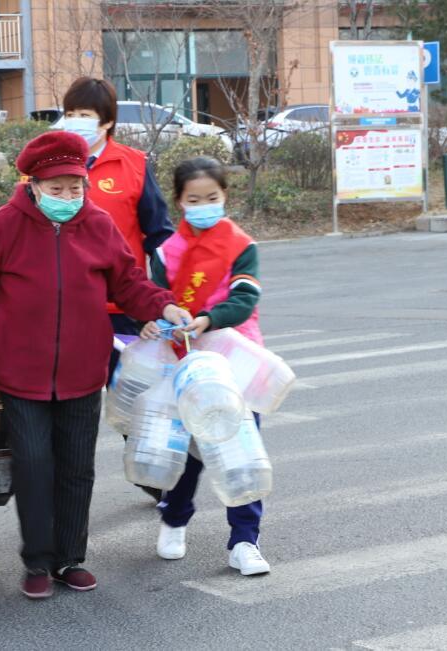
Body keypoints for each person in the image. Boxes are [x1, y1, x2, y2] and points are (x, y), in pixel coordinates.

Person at [0, 131, 191, 599]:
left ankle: (69, 558)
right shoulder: (6, 225)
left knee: (77, 467)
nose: (67, 197)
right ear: (33, 185)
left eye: (75, 188)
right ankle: (37, 562)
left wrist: (163, 306)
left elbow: (128, 282)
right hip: (20, 372)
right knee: (35, 465)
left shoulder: (97, 224)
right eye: (56, 189)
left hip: (83, 370)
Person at [141, 156, 271, 576]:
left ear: (225, 196)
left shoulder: (240, 245)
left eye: (212, 197)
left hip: (235, 358)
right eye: (194, 199)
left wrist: (210, 319)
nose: (203, 205)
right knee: (188, 453)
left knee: (239, 449)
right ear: (179, 201)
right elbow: (157, 297)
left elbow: (245, 298)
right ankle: (175, 519)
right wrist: (158, 319)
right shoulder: (165, 251)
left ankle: (245, 540)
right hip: (185, 362)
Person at [61, 76, 175, 501]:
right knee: (74, 409)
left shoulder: (134, 165)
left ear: (106, 122)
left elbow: (159, 235)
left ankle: (154, 476)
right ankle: (68, 496)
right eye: (70, 114)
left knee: (136, 401)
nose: (75, 123)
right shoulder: (49, 168)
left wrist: (159, 301)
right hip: (69, 310)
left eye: (85, 116)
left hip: (124, 308)